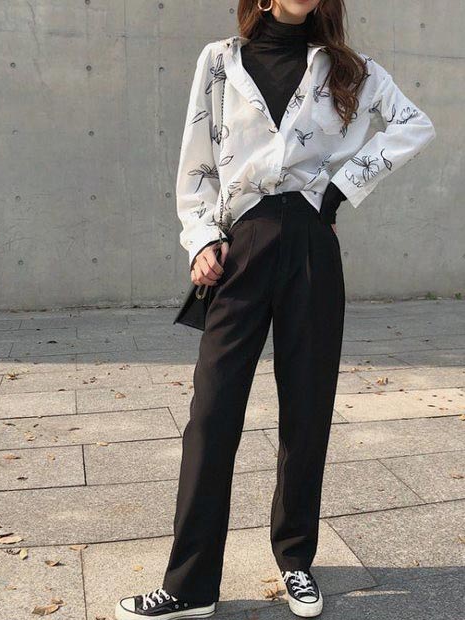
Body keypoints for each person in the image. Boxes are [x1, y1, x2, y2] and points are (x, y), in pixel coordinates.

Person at [115, 1, 435, 618]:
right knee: (211, 415)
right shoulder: (220, 61)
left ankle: (296, 562)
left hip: (311, 243)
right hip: (242, 244)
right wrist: (201, 239)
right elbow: (197, 162)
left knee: (307, 409)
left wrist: (338, 190)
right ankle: (189, 585)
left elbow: (413, 124)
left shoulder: (348, 68)